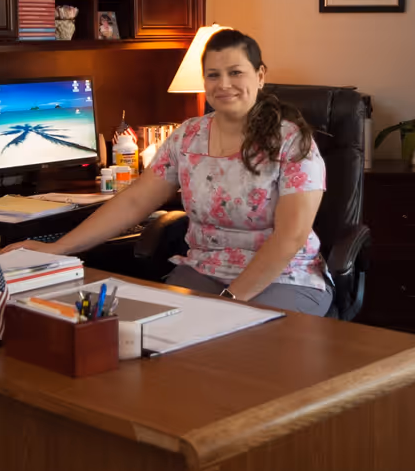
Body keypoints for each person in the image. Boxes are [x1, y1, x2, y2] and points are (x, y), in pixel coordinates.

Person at [22, 28, 331, 316]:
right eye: (213, 75)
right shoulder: (187, 137)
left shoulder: (291, 141)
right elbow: (133, 202)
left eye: (235, 72)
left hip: (286, 276)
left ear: (260, 75)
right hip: (203, 270)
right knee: (148, 335)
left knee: (239, 346)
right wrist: (57, 249)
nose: (223, 84)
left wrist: (227, 302)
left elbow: (291, 237)